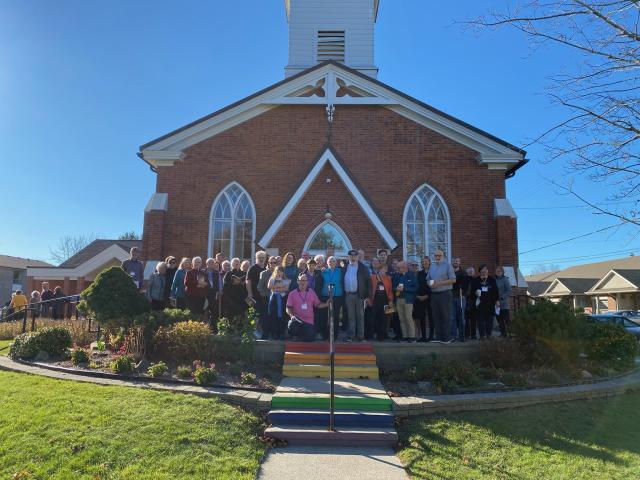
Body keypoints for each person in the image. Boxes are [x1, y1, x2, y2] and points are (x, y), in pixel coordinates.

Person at [286, 274, 328, 342]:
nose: (303, 282)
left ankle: (302, 337)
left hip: (309, 321)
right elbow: (288, 308)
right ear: (298, 281)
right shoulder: (292, 294)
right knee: (291, 324)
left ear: (307, 282)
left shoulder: (311, 292)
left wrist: (327, 304)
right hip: (297, 320)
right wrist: (291, 316)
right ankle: (295, 336)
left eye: (305, 280)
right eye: (301, 280)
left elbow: (318, 304)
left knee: (310, 339)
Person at [426, 250, 457, 343]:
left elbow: (453, 280)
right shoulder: (432, 266)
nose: (437, 257)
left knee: (445, 315)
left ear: (443, 256)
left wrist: (439, 283)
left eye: (439, 255)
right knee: (436, 316)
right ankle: (438, 336)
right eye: (435, 255)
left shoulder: (448, 265)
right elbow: (428, 279)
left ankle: (446, 337)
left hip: (445, 293)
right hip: (434, 294)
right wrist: (430, 284)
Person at [342, 249, 371, 342]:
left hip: (360, 295)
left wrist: (368, 296)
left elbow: (369, 283)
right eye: (351, 256)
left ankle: (361, 337)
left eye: (355, 256)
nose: (353, 257)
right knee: (351, 317)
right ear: (348, 257)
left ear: (358, 257)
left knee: (360, 316)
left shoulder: (363, 268)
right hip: (348, 295)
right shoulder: (344, 267)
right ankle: (351, 336)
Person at [470, 264, 500, 339]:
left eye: (486, 269)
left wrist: (497, 300)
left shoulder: (491, 279)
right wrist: (475, 293)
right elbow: (471, 293)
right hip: (479, 304)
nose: (484, 271)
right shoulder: (475, 280)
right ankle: (482, 335)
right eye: (482, 269)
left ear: (487, 271)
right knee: (480, 321)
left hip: (490, 303)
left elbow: (496, 291)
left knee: (489, 320)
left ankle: (489, 335)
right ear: (480, 271)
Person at [392, 261, 418, 342]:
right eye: (398, 268)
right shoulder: (397, 275)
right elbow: (393, 287)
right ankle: (405, 336)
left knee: (408, 318)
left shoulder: (411, 275)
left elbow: (416, 288)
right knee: (402, 319)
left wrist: (405, 289)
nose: (398, 269)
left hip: (408, 300)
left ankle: (412, 337)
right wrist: (396, 288)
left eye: (399, 268)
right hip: (399, 299)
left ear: (405, 267)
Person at [320, 256, 344, 340]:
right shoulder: (324, 271)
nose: (331, 262)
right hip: (326, 295)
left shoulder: (340, 271)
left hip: (337, 295)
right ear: (327, 263)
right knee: (325, 316)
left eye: (333, 261)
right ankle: (325, 335)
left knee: (335, 316)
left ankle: (334, 335)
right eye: (330, 261)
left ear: (336, 262)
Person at [369, 263, 393, 341]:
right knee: (373, 318)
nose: (385, 270)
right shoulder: (372, 277)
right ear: (379, 269)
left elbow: (390, 290)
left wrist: (391, 300)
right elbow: (369, 289)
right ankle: (371, 335)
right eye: (384, 269)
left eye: (386, 269)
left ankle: (383, 335)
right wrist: (368, 299)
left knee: (385, 318)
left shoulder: (388, 278)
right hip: (375, 301)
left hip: (386, 301)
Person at [414, 256, 434, 342]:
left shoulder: (433, 273)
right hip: (420, 298)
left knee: (431, 317)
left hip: (430, 297)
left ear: (429, 262)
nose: (424, 263)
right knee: (421, 317)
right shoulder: (419, 273)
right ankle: (423, 337)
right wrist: (418, 296)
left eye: (426, 261)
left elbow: (432, 286)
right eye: (423, 261)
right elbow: (417, 285)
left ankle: (431, 336)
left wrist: (427, 295)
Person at [451, 257, 471, 342]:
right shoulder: (449, 272)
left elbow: (468, 286)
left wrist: (465, 295)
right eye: (454, 261)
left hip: (460, 297)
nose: (455, 262)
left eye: (457, 261)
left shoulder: (463, 273)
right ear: (452, 262)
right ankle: (453, 336)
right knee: (452, 317)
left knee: (461, 317)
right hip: (451, 298)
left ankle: (462, 336)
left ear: (459, 262)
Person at [258, 256, 278, 336]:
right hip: (266, 299)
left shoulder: (279, 273)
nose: (273, 264)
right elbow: (259, 287)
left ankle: (274, 333)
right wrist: (265, 295)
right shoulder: (264, 273)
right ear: (268, 263)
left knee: (275, 317)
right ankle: (265, 334)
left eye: (274, 262)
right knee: (266, 318)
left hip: (277, 299)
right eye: (271, 262)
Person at [267, 267, 288, 339]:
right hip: (274, 299)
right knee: (273, 316)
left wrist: (276, 288)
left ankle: (281, 333)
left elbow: (286, 289)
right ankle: (274, 334)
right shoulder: (272, 279)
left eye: (280, 272)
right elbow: (269, 286)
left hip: (282, 299)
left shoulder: (285, 280)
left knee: (282, 316)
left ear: (283, 272)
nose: (279, 273)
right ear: (275, 272)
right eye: (277, 271)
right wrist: (279, 287)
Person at [494, 266, 513, 337]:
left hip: (504, 303)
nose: (498, 272)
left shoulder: (505, 279)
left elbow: (509, 291)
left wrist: (502, 298)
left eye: (499, 271)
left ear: (502, 272)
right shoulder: (494, 280)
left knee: (506, 319)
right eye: (497, 271)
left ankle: (511, 333)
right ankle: (503, 333)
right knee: (499, 319)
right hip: (496, 304)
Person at [204, 258, 221, 330]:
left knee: (215, 310)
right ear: (206, 264)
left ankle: (214, 327)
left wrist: (220, 290)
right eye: (209, 263)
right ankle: (206, 327)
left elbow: (220, 282)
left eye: (212, 263)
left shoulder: (216, 272)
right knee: (205, 310)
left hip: (214, 293)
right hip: (205, 293)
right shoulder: (203, 272)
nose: (211, 264)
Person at [464, 266, 478, 339]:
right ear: (467, 272)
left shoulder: (476, 280)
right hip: (465, 301)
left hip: (474, 302)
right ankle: (466, 334)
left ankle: (473, 334)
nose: (470, 272)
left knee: (473, 319)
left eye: (471, 271)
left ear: (474, 272)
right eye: (469, 271)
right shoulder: (464, 280)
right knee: (466, 319)